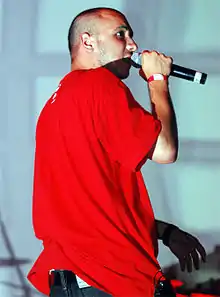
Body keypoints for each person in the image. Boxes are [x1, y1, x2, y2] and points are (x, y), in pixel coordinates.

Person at [27, 7, 206, 297]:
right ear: (88, 42)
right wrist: (157, 80)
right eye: (120, 34)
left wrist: (165, 232)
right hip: (109, 279)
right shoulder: (99, 84)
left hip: (81, 278)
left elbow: (93, 203)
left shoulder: (56, 105)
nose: (133, 45)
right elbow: (165, 149)